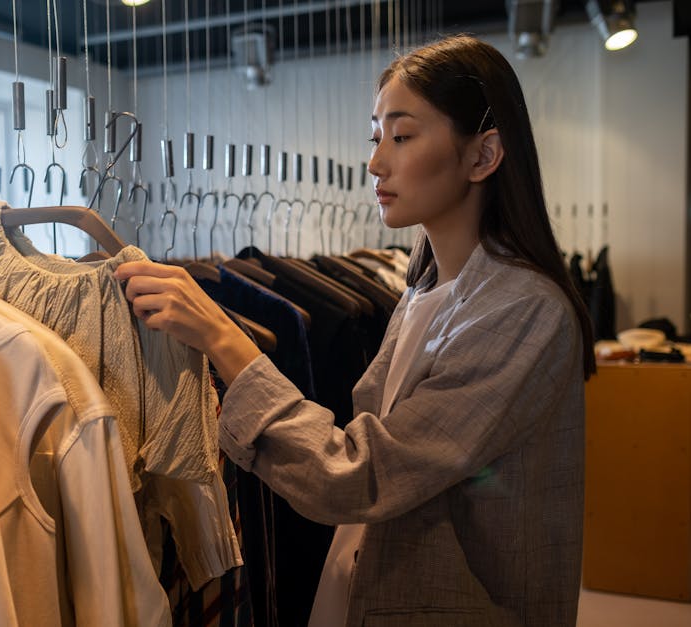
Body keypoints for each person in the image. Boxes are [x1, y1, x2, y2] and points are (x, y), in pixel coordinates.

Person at [115, 34, 595, 627]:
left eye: (402, 136)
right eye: (376, 138)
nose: (375, 162)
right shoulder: (422, 292)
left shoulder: (524, 310)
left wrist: (224, 339)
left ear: (483, 154)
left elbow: (359, 475)